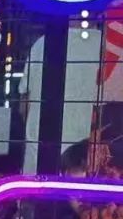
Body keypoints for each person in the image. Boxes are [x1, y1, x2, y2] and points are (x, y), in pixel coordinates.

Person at [20, 21, 103, 178]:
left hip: (38, 163)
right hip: (89, 167)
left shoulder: (42, 43)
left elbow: (25, 104)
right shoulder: (107, 45)